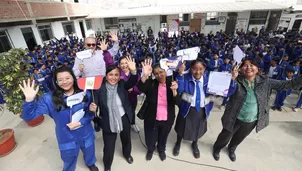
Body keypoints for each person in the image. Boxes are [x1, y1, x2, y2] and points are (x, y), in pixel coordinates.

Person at [212, 58, 302, 162]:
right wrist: (232, 78)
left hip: (252, 119)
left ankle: (232, 149)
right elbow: (222, 92)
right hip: (234, 117)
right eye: (245, 65)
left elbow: (288, 84)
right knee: (225, 136)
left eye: (252, 65)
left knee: (240, 137)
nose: (248, 67)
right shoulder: (235, 80)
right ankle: (217, 149)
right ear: (239, 69)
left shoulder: (266, 81)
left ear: (257, 68)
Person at [20, 66, 99, 171]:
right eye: (60, 80)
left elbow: (90, 115)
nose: (65, 82)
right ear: (56, 82)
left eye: (67, 78)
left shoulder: (85, 94)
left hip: (85, 132)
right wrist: (29, 101)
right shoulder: (49, 99)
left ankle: (90, 163)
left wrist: (85, 118)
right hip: (66, 136)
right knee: (68, 159)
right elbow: (29, 117)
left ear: (73, 78)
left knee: (89, 150)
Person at [173, 59, 238, 158]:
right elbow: (180, 89)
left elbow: (226, 93)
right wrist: (180, 74)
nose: (197, 72)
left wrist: (232, 80)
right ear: (190, 69)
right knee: (182, 127)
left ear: (205, 69)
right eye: (194, 69)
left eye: (201, 69)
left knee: (198, 128)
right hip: (187, 109)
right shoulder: (185, 78)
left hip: (202, 109)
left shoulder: (210, 80)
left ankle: (195, 144)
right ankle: (178, 143)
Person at [93, 57, 139, 171]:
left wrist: (133, 71)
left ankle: (127, 154)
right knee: (109, 146)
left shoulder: (122, 84)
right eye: (111, 75)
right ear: (106, 76)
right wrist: (92, 107)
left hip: (124, 117)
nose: (113, 77)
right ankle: (107, 166)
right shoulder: (99, 89)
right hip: (108, 120)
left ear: (119, 77)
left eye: (116, 75)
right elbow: (94, 104)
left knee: (126, 140)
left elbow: (132, 82)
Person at [137, 60, 180, 161]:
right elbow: (141, 87)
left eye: (161, 72)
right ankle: (150, 150)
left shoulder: (172, 83)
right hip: (152, 117)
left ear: (166, 71)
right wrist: (144, 75)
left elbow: (179, 102)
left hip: (167, 119)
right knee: (150, 136)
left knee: (163, 136)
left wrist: (174, 92)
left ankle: (161, 150)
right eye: (156, 73)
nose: (159, 75)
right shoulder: (151, 83)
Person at [119, 56, 142, 132]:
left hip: (132, 99)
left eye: (126, 63)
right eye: (122, 63)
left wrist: (133, 89)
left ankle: (133, 124)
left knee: (132, 112)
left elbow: (140, 87)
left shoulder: (135, 73)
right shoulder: (117, 74)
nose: (124, 65)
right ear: (119, 65)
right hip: (121, 100)